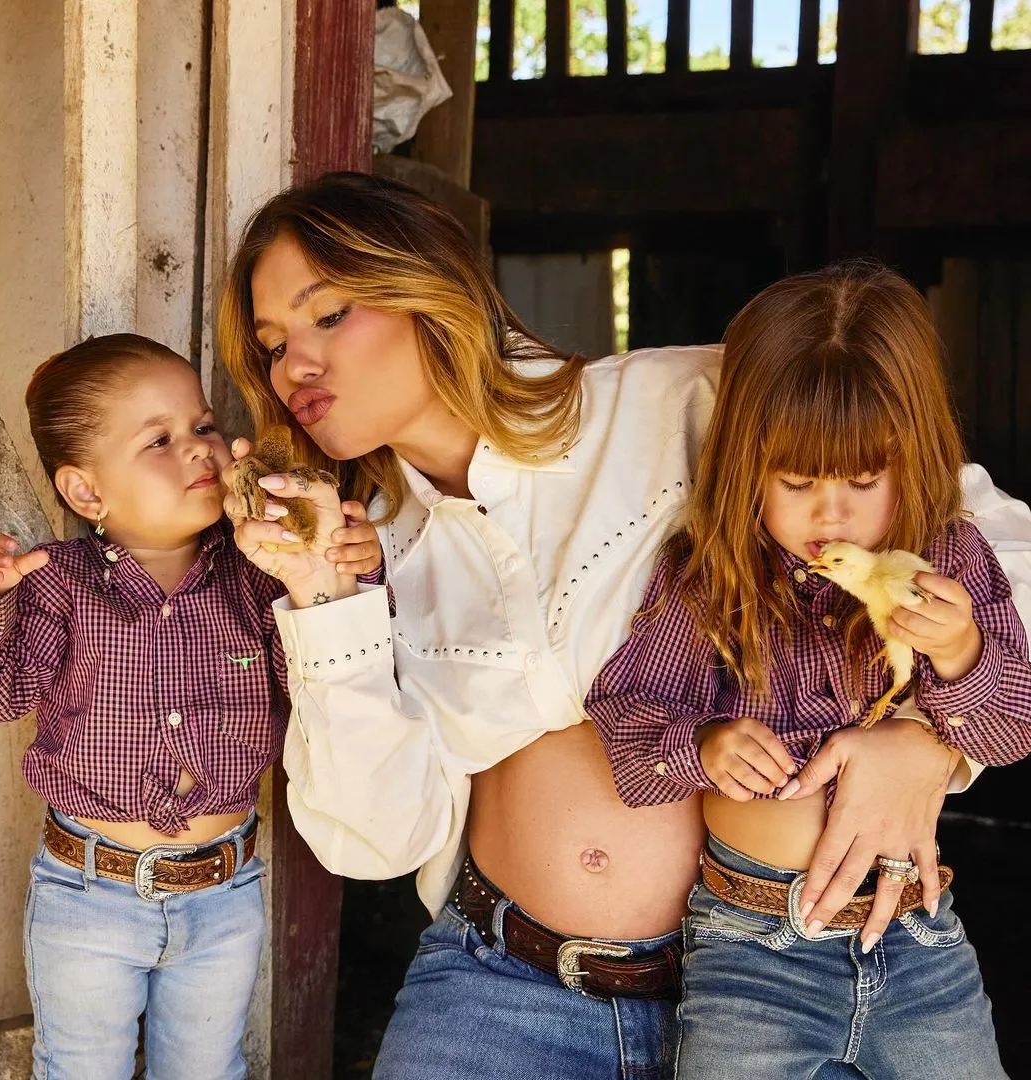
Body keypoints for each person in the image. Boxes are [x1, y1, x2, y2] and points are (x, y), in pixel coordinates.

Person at [217, 172, 1031, 1079]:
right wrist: (327, 604)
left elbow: (965, 522)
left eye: (327, 315)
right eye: (273, 342)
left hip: (781, 985)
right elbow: (373, 840)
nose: (295, 364)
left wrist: (923, 740)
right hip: (504, 993)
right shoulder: (365, 552)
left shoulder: (673, 400)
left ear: (430, 290)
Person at [586, 265, 1028, 1078]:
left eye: (864, 481)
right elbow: (626, 728)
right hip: (754, 957)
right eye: (796, 482)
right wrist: (704, 744)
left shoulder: (949, 559)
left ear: (916, 456)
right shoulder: (708, 575)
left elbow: (1009, 733)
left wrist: (961, 650)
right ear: (744, 462)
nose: (831, 515)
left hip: (918, 934)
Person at [0, 333, 379, 1079]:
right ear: (87, 493)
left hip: (224, 892)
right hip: (88, 895)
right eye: (160, 439)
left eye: (205, 425)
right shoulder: (60, 585)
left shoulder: (256, 577)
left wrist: (334, 565)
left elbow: (325, 679)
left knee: (209, 1068)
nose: (199, 449)